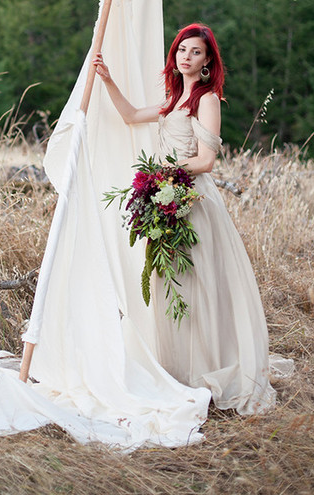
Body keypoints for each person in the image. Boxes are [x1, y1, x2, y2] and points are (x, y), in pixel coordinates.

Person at [93, 22, 277, 415]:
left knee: (197, 285)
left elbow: (207, 161)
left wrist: (168, 175)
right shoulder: (173, 98)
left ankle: (206, 368)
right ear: (174, 56)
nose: (187, 57)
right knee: (169, 281)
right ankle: (177, 370)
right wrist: (107, 80)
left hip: (192, 199)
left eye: (196, 52)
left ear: (208, 60)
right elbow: (128, 116)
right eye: (182, 50)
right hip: (166, 195)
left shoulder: (206, 99)